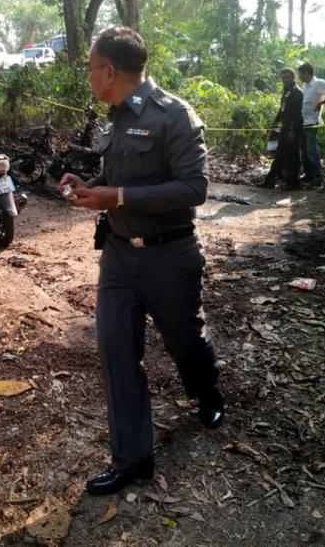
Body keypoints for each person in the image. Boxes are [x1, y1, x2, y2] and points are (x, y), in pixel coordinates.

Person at [59, 27, 223, 496]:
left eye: (91, 68)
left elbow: (195, 188)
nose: (88, 76)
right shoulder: (113, 117)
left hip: (169, 256)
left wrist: (119, 195)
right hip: (118, 257)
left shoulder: (175, 116)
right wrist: (90, 185)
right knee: (115, 351)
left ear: (109, 70)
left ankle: (206, 391)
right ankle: (132, 458)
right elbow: (116, 176)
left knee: (185, 341)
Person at [259, 68, 303, 190]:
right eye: (283, 77)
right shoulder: (286, 91)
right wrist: (275, 122)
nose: (285, 80)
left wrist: (293, 131)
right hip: (285, 126)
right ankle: (270, 180)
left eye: (287, 77)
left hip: (292, 128)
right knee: (279, 155)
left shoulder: (297, 93)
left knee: (292, 156)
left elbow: (298, 115)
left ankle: (293, 183)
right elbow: (282, 109)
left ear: (293, 77)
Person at [297, 62, 325, 189]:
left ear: (307, 73)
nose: (300, 77)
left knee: (311, 150)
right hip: (303, 121)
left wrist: (322, 103)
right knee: (304, 150)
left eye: (301, 74)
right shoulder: (304, 85)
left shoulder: (319, 83)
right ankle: (308, 174)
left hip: (312, 121)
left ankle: (317, 177)